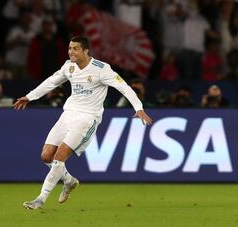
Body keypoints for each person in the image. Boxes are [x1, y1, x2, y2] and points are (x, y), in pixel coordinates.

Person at [13, 36, 153, 210]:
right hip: (68, 115)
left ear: (86, 51)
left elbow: (123, 86)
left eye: (75, 48)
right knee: (46, 156)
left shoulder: (101, 69)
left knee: (59, 157)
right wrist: (29, 96)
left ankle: (40, 199)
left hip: (87, 118)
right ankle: (69, 181)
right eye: (70, 48)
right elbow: (51, 82)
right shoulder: (68, 66)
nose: (71, 51)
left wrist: (138, 107)